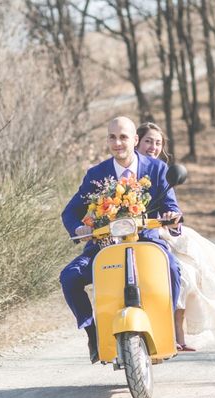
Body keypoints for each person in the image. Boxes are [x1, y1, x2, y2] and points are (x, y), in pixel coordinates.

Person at [60, 116, 183, 363]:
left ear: (135, 140)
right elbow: (70, 212)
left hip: (146, 243)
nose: (118, 143)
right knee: (70, 277)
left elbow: (172, 207)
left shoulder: (157, 170)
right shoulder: (97, 174)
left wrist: (172, 216)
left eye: (123, 137)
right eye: (112, 137)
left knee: (172, 269)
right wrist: (79, 228)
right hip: (104, 247)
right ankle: (93, 334)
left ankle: (164, 329)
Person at [136, 121, 215, 351]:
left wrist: (171, 216)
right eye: (148, 141)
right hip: (126, 234)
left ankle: (177, 334)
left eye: (158, 143)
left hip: (159, 232)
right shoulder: (123, 170)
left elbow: (172, 206)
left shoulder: (162, 171)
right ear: (136, 142)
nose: (153, 147)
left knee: (185, 275)